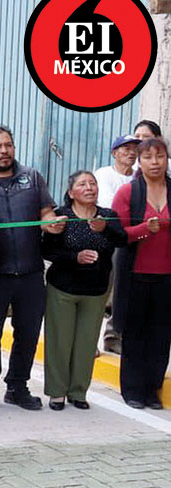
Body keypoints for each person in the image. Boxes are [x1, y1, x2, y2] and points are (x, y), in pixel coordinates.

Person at [0, 125, 64, 413]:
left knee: (27, 333)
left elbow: (45, 212)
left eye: (8, 145)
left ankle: (17, 386)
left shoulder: (32, 178)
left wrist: (51, 222)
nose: (4, 151)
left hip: (30, 271)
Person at [42, 171, 127, 411]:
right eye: (82, 184)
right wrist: (74, 257)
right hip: (63, 288)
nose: (89, 188)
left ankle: (78, 391)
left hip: (96, 290)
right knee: (60, 341)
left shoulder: (108, 216)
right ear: (71, 193)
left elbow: (123, 240)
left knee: (86, 343)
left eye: (93, 184)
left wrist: (104, 230)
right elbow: (47, 251)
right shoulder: (61, 217)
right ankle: (57, 392)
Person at [112, 137, 171, 409]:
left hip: (167, 276)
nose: (155, 162)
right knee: (135, 335)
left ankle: (152, 390)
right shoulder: (128, 193)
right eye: (148, 157)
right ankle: (133, 390)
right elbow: (118, 234)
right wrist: (146, 229)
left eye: (160, 156)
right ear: (139, 161)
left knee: (161, 336)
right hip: (136, 275)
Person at [96, 136, 141, 354]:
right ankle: (89, 338)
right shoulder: (104, 175)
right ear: (115, 152)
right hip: (109, 239)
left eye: (135, 150)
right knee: (102, 289)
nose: (131, 153)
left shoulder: (139, 177)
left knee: (125, 291)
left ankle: (114, 336)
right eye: (126, 149)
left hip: (133, 239)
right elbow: (110, 208)